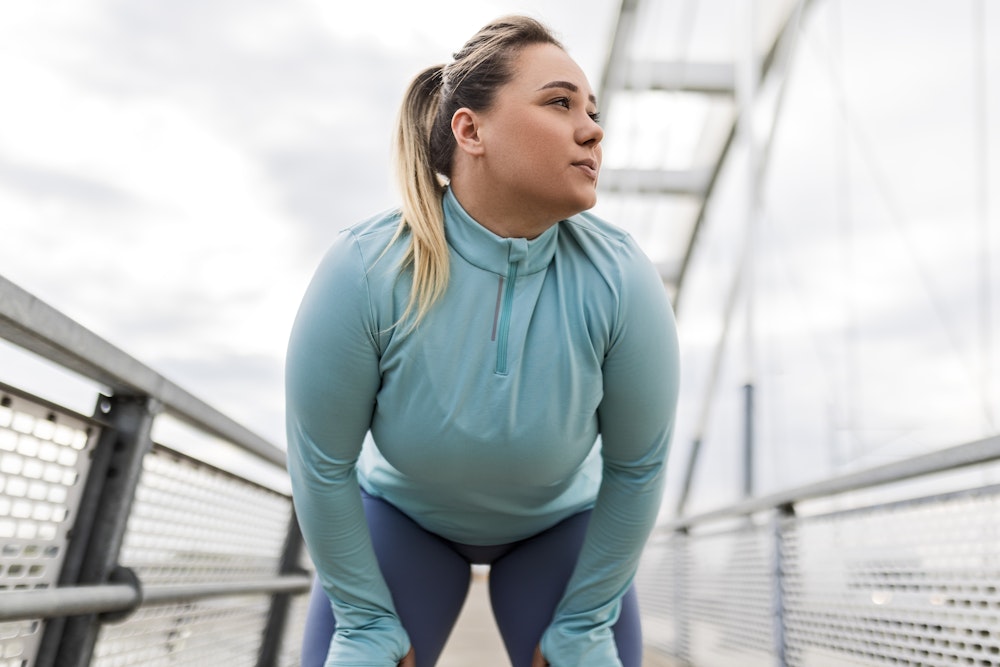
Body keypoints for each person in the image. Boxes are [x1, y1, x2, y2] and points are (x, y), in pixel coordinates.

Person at [285, 14, 680, 667]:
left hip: (560, 529)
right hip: (405, 520)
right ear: (471, 129)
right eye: (560, 102)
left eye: (593, 110)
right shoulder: (365, 269)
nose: (593, 129)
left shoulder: (623, 277)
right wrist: (365, 618)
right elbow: (322, 462)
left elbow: (637, 467)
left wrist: (584, 618)